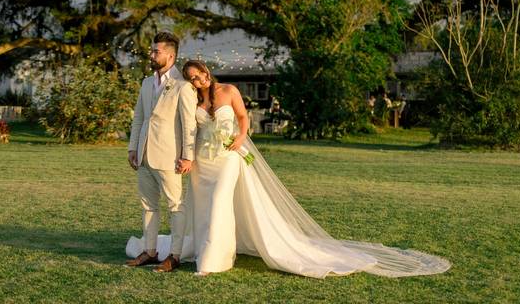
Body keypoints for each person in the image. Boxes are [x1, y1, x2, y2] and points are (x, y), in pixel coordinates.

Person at [128, 59, 452, 279]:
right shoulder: (192, 101)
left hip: (230, 158)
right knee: (201, 208)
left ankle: (213, 260)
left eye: (200, 75)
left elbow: (243, 119)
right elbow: (186, 130)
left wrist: (240, 138)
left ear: (208, 73)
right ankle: (196, 249)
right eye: (192, 78)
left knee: (219, 206)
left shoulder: (229, 91)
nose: (198, 80)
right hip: (202, 162)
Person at [124, 32, 197, 273]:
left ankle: (174, 255)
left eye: (156, 51)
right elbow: (139, 119)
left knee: (175, 206)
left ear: (170, 55)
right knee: (148, 205)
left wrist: (188, 155)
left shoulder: (183, 86)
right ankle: (150, 251)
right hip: (144, 154)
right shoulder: (147, 83)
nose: (152, 54)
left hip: (169, 156)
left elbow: (189, 124)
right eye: (152, 51)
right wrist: (133, 147)